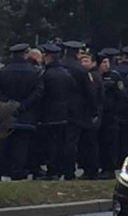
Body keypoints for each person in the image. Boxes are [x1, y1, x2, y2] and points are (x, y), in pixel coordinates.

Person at [0, 43, 44, 182]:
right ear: (25, 54)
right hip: (26, 116)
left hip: (6, 116)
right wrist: (23, 105)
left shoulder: (2, 72)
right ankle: (17, 172)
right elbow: (38, 93)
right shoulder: (35, 72)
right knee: (21, 147)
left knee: (2, 146)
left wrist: (8, 103)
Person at [37, 44, 76, 181]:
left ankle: (52, 171)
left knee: (51, 144)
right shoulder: (66, 74)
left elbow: (41, 94)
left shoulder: (46, 74)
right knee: (62, 143)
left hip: (49, 114)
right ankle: (64, 170)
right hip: (65, 114)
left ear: (48, 57)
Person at [60, 41, 98, 180]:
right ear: (77, 53)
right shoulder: (81, 70)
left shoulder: (58, 65)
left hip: (57, 109)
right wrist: (94, 111)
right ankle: (71, 172)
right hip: (77, 111)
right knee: (74, 141)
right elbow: (90, 92)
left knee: (59, 141)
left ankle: (58, 169)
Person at [98, 53, 127, 178]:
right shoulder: (96, 76)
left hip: (111, 116)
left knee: (110, 143)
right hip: (100, 114)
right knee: (101, 142)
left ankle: (109, 169)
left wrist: (117, 112)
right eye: (103, 63)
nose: (106, 65)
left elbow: (123, 96)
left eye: (107, 62)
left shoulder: (114, 77)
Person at [77, 51, 104, 180]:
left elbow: (94, 96)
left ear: (93, 63)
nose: (83, 63)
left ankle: (91, 170)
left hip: (91, 115)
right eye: (81, 61)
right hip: (89, 114)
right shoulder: (88, 75)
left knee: (90, 143)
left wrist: (94, 113)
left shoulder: (93, 76)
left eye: (86, 61)